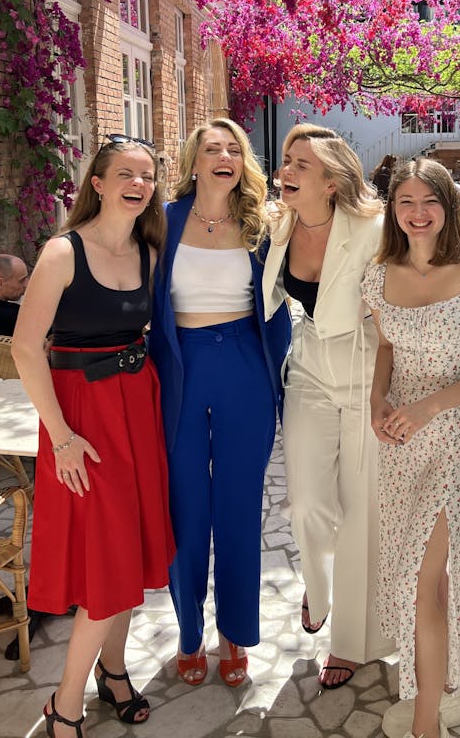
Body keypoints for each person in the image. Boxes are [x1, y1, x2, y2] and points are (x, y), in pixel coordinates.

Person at [11, 137, 175, 737]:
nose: (139, 182)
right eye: (125, 173)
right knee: (105, 566)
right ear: (98, 184)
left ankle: (114, 673)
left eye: (148, 175)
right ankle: (64, 705)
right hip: (80, 421)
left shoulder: (149, 253)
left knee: (126, 549)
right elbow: (25, 349)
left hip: (136, 410)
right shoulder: (62, 252)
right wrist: (61, 438)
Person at [362, 159, 460, 738]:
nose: (417, 213)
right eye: (405, 203)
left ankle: (427, 723)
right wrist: (377, 403)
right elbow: (386, 351)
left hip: (452, 439)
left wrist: (429, 408)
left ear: (449, 207)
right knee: (421, 576)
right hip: (399, 439)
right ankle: (443, 687)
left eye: (430, 201)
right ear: (393, 212)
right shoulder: (377, 276)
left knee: (426, 576)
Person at [148, 119, 291, 689]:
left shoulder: (263, 223)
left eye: (235, 148)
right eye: (213, 148)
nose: (225, 156)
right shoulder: (162, 219)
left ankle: (234, 631)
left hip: (243, 365)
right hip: (180, 365)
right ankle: (188, 633)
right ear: (194, 160)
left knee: (236, 505)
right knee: (185, 506)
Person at [261, 124, 394, 690]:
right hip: (312, 367)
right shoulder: (279, 224)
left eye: (300, 165)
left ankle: (348, 643)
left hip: (368, 373)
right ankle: (317, 590)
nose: (285, 172)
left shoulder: (375, 228)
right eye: (286, 161)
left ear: (332, 181)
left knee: (363, 510)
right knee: (310, 501)